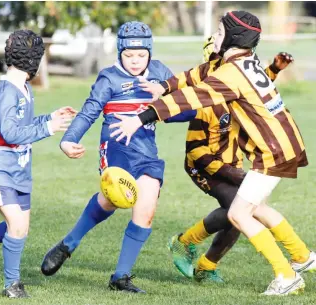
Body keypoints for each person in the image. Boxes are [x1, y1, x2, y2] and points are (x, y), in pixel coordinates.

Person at [109, 11, 315, 296]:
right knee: (251, 209)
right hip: (285, 144)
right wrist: (164, 86)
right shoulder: (243, 63)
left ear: (232, 37)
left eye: (219, 32)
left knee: (240, 214)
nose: (215, 37)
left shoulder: (228, 74)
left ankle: (286, 275)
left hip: (272, 152)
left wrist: (142, 117)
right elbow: (195, 76)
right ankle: (302, 258)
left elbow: (191, 96)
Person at [40, 21, 195, 293]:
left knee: (146, 210)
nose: (135, 61)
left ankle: (120, 278)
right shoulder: (109, 78)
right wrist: (68, 140)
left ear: (149, 52)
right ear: (120, 52)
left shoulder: (160, 73)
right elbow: (89, 111)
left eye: (141, 55)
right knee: (113, 201)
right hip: (115, 149)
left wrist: (164, 99)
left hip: (147, 153)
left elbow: (184, 111)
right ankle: (69, 244)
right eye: (129, 55)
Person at [167, 38, 295, 283]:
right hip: (204, 168)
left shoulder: (236, 91)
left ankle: (206, 266)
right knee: (235, 208)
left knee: (239, 215)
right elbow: (196, 150)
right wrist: (229, 172)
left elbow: (255, 85)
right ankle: (183, 243)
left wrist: (275, 69)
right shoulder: (206, 99)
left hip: (232, 165)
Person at [0, 29, 76, 298]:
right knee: (16, 225)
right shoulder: (7, 91)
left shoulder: (23, 87)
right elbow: (11, 133)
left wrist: (50, 118)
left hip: (19, 170)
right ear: (36, 60)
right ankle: (11, 286)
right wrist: (49, 127)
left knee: (20, 227)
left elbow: (23, 126)